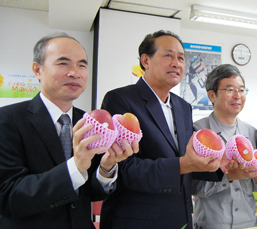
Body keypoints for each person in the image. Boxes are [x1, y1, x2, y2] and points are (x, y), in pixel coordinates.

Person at [0, 33, 138, 229]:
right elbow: (8, 197)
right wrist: (75, 166)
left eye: (82, 65)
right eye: (63, 63)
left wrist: (106, 168)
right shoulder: (7, 119)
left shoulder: (89, 121)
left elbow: (91, 193)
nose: (75, 73)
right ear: (37, 69)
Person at [100, 30, 223, 229]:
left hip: (180, 219)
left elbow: (188, 158)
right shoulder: (121, 100)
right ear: (145, 61)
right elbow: (123, 168)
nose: (177, 63)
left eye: (181, 58)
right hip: (137, 222)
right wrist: (183, 164)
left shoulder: (184, 106)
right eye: (168, 55)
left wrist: (222, 166)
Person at [192, 64, 257, 229]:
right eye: (230, 90)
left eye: (242, 90)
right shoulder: (198, 132)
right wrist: (228, 176)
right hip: (211, 223)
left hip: (247, 222)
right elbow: (194, 186)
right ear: (212, 96)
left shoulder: (251, 133)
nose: (238, 96)